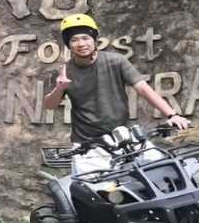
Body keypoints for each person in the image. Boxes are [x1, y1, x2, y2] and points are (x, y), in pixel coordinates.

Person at [42, 13, 189, 175]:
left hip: (123, 135)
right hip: (88, 144)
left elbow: (142, 88)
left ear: (94, 39)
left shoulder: (115, 61)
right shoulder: (65, 71)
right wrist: (60, 88)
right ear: (69, 44)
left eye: (85, 38)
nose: (81, 43)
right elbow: (49, 105)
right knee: (96, 191)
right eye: (74, 40)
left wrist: (172, 115)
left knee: (162, 169)